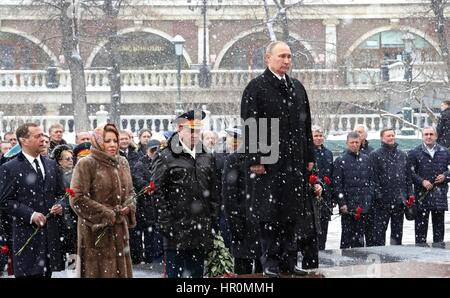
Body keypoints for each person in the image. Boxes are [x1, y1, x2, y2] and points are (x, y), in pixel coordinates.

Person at [240, 41, 316, 277]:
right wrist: (255, 158)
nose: (286, 61)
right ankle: (270, 263)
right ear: (268, 58)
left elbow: (306, 125)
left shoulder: (297, 87)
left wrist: (309, 155)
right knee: (270, 214)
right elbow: (251, 125)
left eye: (289, 57)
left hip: (295, 163)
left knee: (292, 214)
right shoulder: (256, 87)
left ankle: (288, 261)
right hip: (270, 162)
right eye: (282, 56)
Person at [151, 110, 219, 278]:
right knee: (176, 275)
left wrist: (212, 218)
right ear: (180, 129)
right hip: (176, 229)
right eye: (191, 130)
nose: (195, 135)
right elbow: (157, 192)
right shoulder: (166, 156)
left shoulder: (206, 156)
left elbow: (214, 192)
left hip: (200, 229)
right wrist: (166, 225)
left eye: (198, 131)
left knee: (196, 276)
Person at [70, 124, 137, 278]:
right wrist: (106, 213)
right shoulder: (86, 163)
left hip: (120, 231)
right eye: (107, 141)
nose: (113, 144)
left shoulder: (123, 162)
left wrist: (129, 206)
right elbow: (77, 198)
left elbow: (131, 191)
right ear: (99, 141)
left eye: (115, 140)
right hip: (95, 232)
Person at [0, 123, 65, 277]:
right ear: (24, 140)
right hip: (26, 238)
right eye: (38, 136)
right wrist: (31, 215)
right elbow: (5, 201)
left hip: (50, 240)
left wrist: (61, 205)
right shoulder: (10, 168)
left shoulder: (51, 165)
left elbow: (61, 194)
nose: (43, 139)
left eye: (43, 135)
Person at [222, 127, 262, 274]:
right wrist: (234, 223)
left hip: (262, 224)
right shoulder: (234, 159)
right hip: (242, 222)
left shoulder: (265, 158)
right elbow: (229, 195)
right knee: (243, 270)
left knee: (262, 269)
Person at [369, 128, 412, 246]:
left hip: (399, 201)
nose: (391, 138)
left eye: (392, 135)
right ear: (382, 138)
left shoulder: (402, 155)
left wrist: (409, 195)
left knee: (397, 234)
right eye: (388, 136)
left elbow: (407, 177)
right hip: (382, 202)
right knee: (379, 233)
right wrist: (379, 195)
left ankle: (396, 256)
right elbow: (373, 178)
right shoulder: (375, 155)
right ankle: (381, 256)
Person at [407, 126, 450, 245]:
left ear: (436, 136)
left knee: (439, 230)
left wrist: (446, 176)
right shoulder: (414, 152)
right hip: (422, 197)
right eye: (426, 134)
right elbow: (410, 172)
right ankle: (420, 255)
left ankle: (438, 254)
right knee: (420, 231)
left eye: (431, 134)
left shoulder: (445, 151)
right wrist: (422, 181)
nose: (429, 137)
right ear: (422, 136)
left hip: (439, 196)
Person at [333, 131, 375, 249]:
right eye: (352, 142)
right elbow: (337, 184)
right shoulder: (340, 160)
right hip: (348, 206)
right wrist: (342, 203)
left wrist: (369, 197)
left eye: (357, 142)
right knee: (346, 237)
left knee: (360, 238)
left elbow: (372, 180)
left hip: (364, 205)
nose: (354, 145)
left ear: (360, 143)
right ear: (347, 143)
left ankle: (359, 263)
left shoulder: (367, 159)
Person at [133, 139, 163, 264]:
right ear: (147, 151)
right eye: (152, 150)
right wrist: (148, 187)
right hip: (146, 204)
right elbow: (138, 180)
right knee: (149, 233)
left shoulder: (162, 162)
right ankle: (149, 258)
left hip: (159, 203)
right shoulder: (140, 164)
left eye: (157, 150)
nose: (155, 152)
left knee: (157, 232)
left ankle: (157, 257)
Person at [311, 125, 334, 251]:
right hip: (312, 195)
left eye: (320, 136)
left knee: (323, 231)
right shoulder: (308, 153)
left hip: (326, 197)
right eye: (316, 136)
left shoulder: (328, 153)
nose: (319, 138)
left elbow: (331, 175)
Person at [52, 144, 77, 258]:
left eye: (72, 158)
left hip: (74, 214)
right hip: (63, 216)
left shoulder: (76, 174)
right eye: (67, 159)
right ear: (59, 161)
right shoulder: (55, 176)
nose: (71, 161)